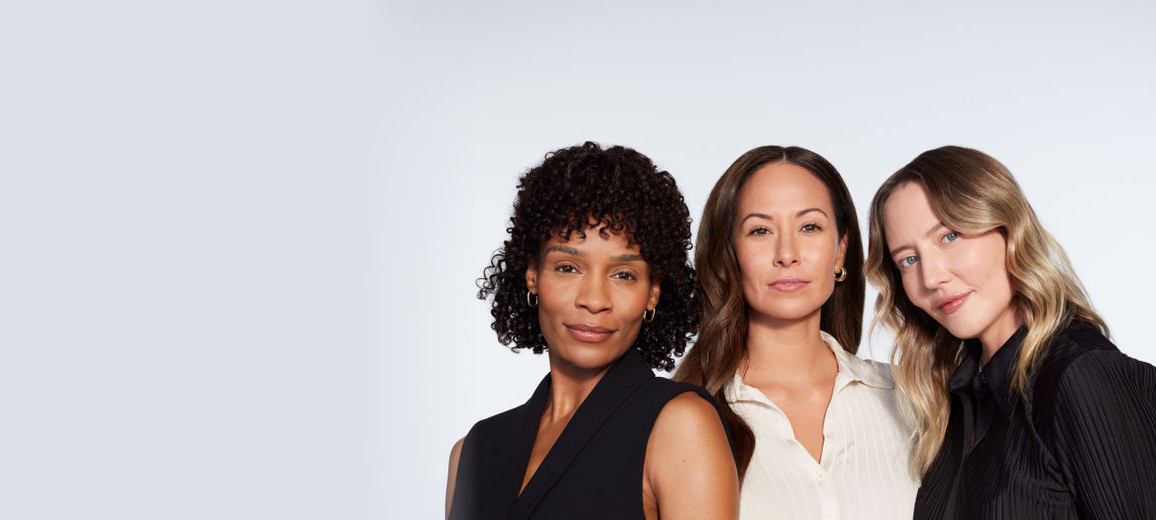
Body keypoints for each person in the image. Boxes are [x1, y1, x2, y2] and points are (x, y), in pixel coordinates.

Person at [444, 142, 739, 520]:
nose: (594, 299)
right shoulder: (474, 452)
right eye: (568, 267)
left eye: (623, 275)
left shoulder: (681, 425)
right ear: (533, 276)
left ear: (652, 293)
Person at [866, 145, 1156, 518]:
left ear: (1008, 229)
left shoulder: (1082, 376)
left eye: (949, 236)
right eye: (908, 259)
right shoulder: (955, 406)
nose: (932, 277)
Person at [675, 145, 918, 519]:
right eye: (760, 230)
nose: (787, 253)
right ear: (730, 255)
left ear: (840, 251)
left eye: (809, 227)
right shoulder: (684, 417)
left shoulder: (914, 400)